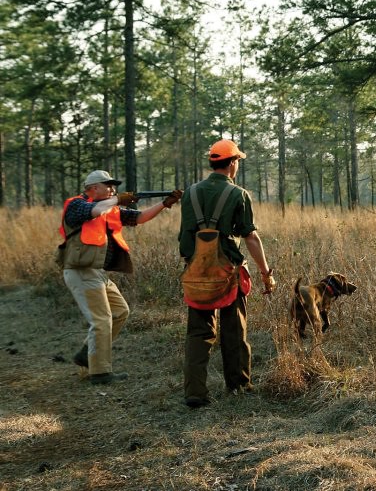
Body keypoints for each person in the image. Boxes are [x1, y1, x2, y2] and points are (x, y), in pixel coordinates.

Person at [60, 170, 182, 385]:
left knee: (120, 311)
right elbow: (94, 210)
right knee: (101, 320)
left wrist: (164, 203)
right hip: (81, 271)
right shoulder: (77, 205)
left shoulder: (111, 208)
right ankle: (99, 372)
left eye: (114, 187)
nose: (113, 189)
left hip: (96, 272)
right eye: (108, 186)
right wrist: (118, 199)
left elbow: (139, 217)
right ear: (94, 188)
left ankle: (86, 353)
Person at [179, 138, 275, 408]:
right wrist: (266, 273)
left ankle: (195, 393)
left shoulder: (190, 193)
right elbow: (251, 238)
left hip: (196, 270)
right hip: (227, 272)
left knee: (198, 333)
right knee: (234, 331)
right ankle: (239, 386)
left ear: (213, 162)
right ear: (232, 163)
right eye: (237, 162)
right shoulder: (238, 194)